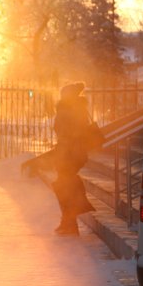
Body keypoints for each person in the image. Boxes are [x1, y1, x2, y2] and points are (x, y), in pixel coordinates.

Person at [51, 82, 95, 236]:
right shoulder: (77, 109)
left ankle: (69, 223)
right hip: (72, 153)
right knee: (65, 186)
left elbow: (67, 133)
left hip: (69, 154)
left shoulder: (68, 110)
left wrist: (65, 150)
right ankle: (68, 222)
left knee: (65, 187)